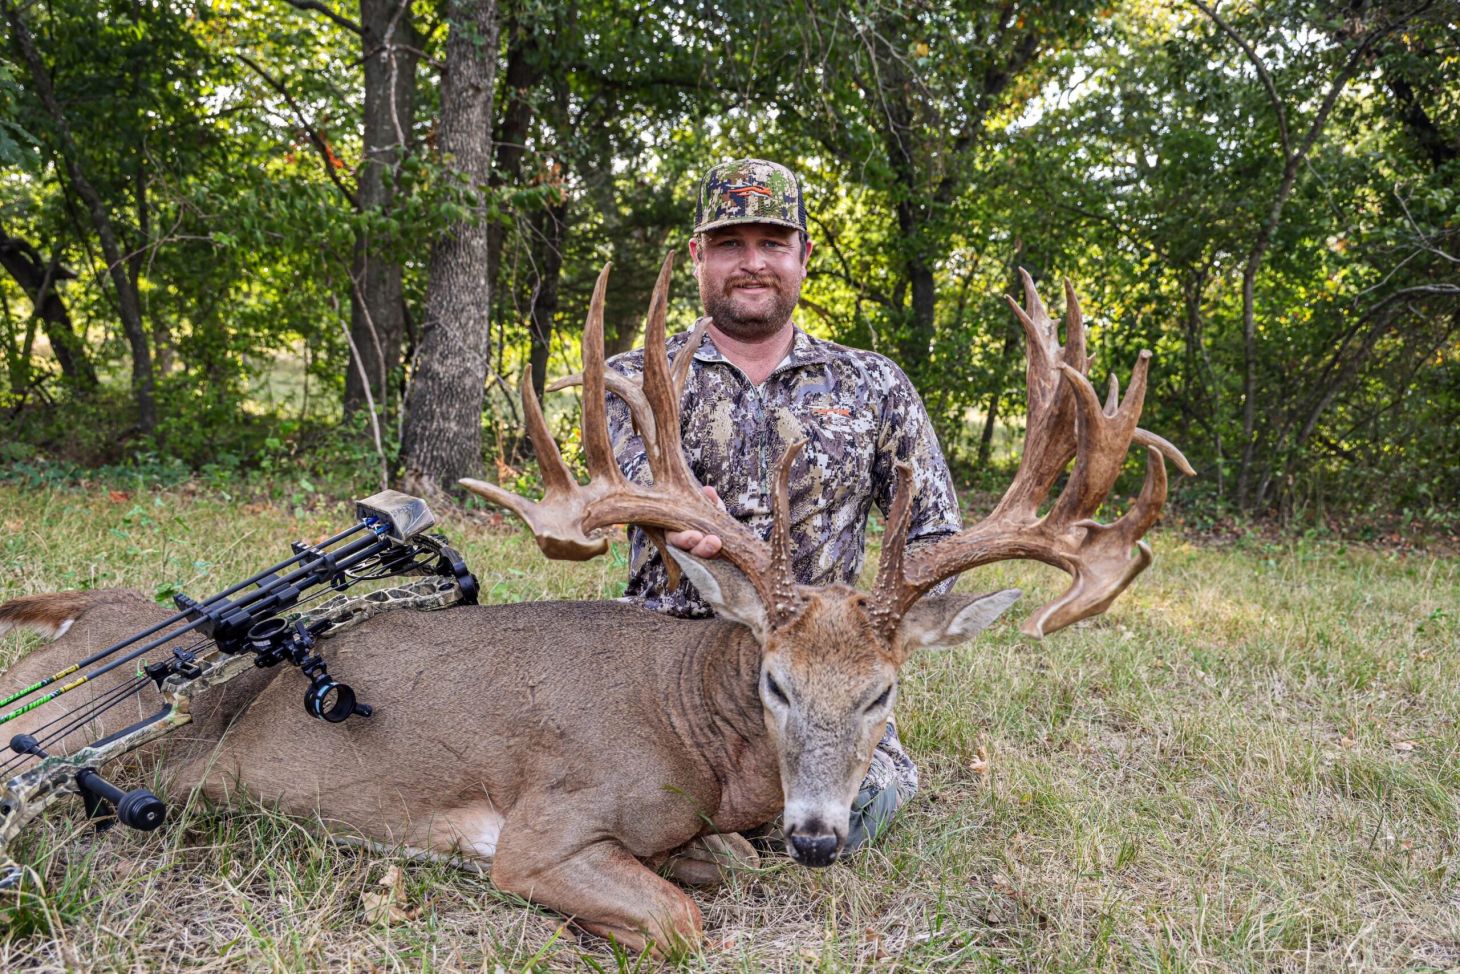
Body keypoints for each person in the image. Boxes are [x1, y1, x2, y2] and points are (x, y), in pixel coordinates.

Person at [606, 158, 961, 854]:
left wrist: (884, 616)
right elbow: (595, 499)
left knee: (856, 815)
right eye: (731, 244)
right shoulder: (633, 380)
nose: (752, 263)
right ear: (698, 257)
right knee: (617, 799)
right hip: (660, 672)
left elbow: (936, 531)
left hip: (820, 672)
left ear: (803, 257)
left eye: (772, 244)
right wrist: (666, 512)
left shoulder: (874, 384)